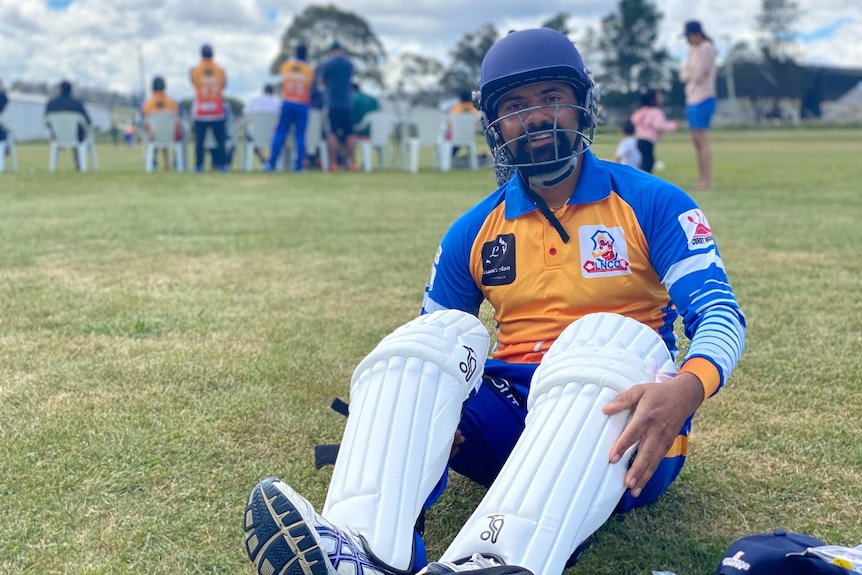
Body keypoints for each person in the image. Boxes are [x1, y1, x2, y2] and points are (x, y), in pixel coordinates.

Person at [242, 28, 746, 575]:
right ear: (495, 126)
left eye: (552, 98)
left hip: (629, 420)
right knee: (420, 347)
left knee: (602, 338)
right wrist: (432, 412)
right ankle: (360, 550)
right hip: (511, 413)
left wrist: (684, 390)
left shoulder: (651, 201)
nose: (535, 118)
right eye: (515, 106)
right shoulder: (475, 228)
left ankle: (491, 563)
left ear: (582, 105)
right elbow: (434, 348)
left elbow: (719, 314)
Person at [680, 20, 717, 190]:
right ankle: (701, 177)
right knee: (695, 140)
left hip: (704, 97)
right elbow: (684, 73)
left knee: (702, 139)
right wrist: (689, 75)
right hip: (691, 98)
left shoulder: (706, 48)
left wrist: (690, 75)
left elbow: (699, 74)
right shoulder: (692, 50)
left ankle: (706, 180)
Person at [266, 45, 315, 172]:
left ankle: (271, 164)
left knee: (280, 133)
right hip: (302, 105)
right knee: (300, 136)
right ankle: (299, 166)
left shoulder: (286, 67)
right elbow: (310, 87)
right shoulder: (309, 69)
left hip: (287, 103)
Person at [316, 41, 355, 171]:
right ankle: (351, 163)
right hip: (347, 104)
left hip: (332, 104)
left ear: (332, 51)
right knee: (350, 134)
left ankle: (333, 163)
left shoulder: (328, 64)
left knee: (332, 133)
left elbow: (321, 80)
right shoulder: (349, 64)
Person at [189, 43, 228, 172]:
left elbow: (194, 83)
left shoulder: (195, 70)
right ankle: (222, 165)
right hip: (217, 110)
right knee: (220, 140)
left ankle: (199, 166)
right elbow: (223, 85)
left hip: (201, 111)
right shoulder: (220, 70)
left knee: (200, 142)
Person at [44, 80, 92, 171]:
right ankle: (79, 164)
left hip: (57, 136)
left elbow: (47, 122)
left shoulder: (51, 104)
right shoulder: (77, 104)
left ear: (59, 89)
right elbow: (88, 122)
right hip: (77, 136)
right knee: (80, 133)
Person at [629, 88, 678, 173]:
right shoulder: (656, 112)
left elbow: (633, 120)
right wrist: (672, 125)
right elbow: (659, 125)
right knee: (649, 162)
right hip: (648, 140)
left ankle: (642, 176)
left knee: (645, 160)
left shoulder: (641, 111)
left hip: (640, 139)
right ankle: (644, 179)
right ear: (653, 99)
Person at [141, 76, 182, 171]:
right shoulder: (173, 103)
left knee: (149, 135)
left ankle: (153, 162)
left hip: (153, 136)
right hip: (172, 136)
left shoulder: (147, 104)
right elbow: (179, 119)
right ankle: (177, 163)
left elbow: (144, 121)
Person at [246, 84, 281, 166]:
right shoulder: (277, 102)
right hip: (272, 134)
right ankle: (270, 161)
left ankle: (263, 160)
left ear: (263, 91)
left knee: (247, 139)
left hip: (254, 134)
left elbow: (247, 116)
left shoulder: (253, 100)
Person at [447, 89, 480, 160]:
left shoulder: (454, 110)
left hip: (455, 136)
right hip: (469, 136)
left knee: (455, 144)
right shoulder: (474, 111)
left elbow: (449, 124)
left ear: (460, 99)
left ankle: (450, 158)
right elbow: (476, 124)